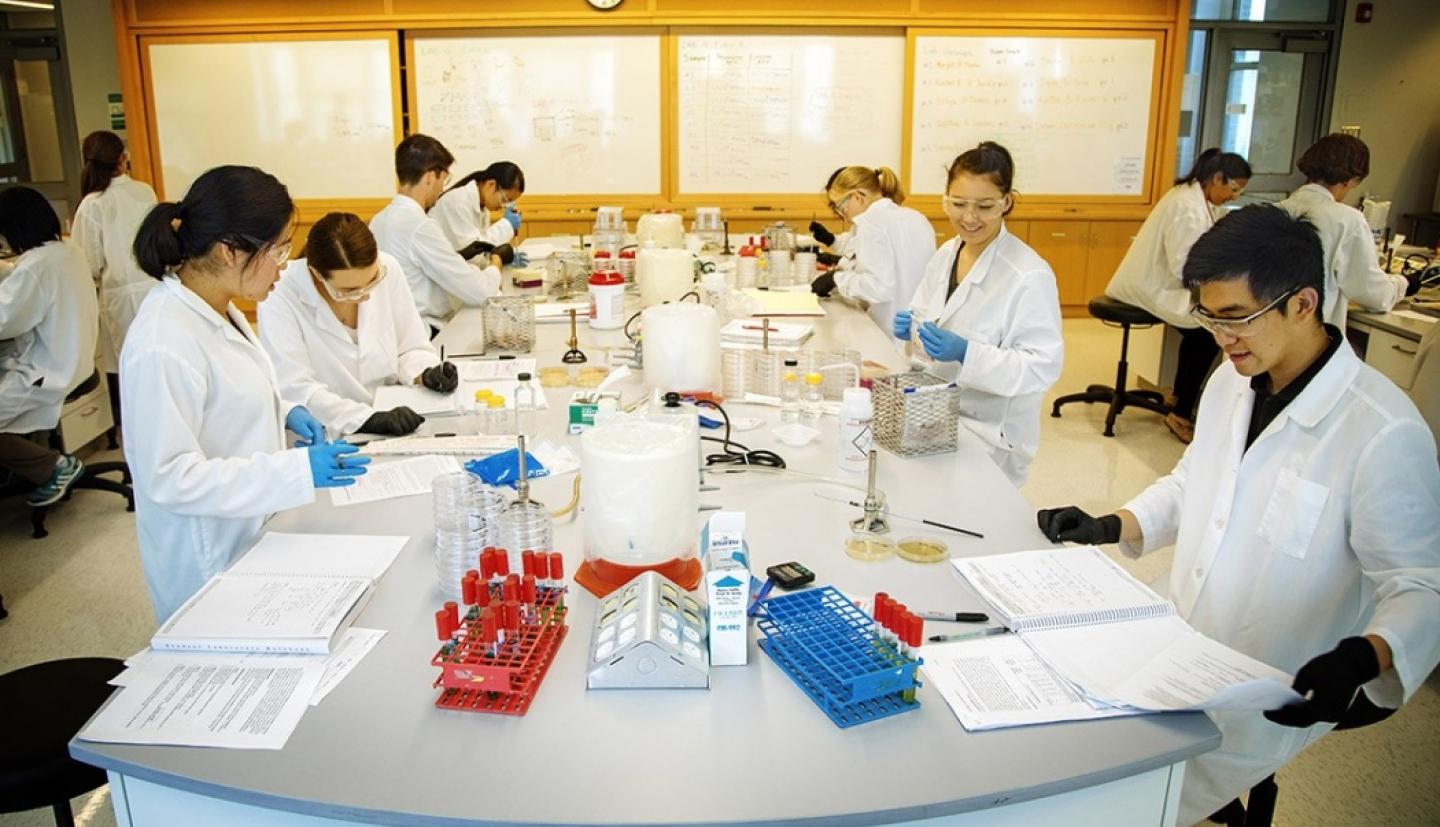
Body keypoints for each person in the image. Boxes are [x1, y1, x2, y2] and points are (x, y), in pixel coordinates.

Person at [1036, 205, 1440, 826]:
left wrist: (1365, 658)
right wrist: (1111, 524)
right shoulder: (1233, 380)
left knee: (1123, 802)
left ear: (1302, 304)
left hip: (1269, 680)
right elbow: (1194, 481)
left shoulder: (1382, 431)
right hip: (1178, 635)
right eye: (1210, 318)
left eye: (1236, 318)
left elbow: (1421, 586)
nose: (1222, 338)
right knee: (1064, 731)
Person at [124, 165, 370, 621]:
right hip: (208, 561)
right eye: (278, 250)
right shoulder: (163, 340)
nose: (284, 265)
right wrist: (295, 471)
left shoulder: (218, 308)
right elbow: (169, 478)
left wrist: (285, 411)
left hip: (254, 530)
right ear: (230, 251)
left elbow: (226, 399)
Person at [893, 143, 1063, 487]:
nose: (969, 218)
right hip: (936, 417)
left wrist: (967, 353)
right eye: (958, 204)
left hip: (990, 436)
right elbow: (925, 316)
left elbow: (1040, 368)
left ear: (1006, 202)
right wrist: (910, 333)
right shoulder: (948, 253)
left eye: (985, 206)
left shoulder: (1028, 275)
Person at [258, 212, 458, 438]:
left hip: (395, 422)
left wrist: (426, 373)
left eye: (372, 282)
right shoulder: (279, 292)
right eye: (349, 291)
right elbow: (296, 388)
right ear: (316, 273)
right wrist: (367, 419)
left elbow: (410, 347)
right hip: (326, 435)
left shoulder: (389, 267)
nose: (364, 295)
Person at [1105, 148, 1251, 443]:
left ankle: (1180, 396)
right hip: (1152, 286)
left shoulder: (1193, 197)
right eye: (1234, 188)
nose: (1234, 196)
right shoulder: (1187, 206)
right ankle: (1181, 411)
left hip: (1163, 283)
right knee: (1206, 331)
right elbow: (1183, 267)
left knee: (1202, 327)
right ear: (1217, 178)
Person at [0, 187, 98, 506]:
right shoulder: (67, 251)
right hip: (74, 362)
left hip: (46, 374)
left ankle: (53, 466)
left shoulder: (36, 266)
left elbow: (4, 319)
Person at [369, 135, 508, 332]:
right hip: (425, 332)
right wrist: (496, 264)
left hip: (396, 330)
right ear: (430, 177)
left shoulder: (378, 220)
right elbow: (480, 292)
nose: (443, 188)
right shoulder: (419, 226)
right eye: (444, 179)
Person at [1277, 133, 1415, 330]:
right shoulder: (1346, 219)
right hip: (1310, 336)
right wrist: (1403, 284)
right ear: (1352, 179)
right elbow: (1374, 294)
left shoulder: (1274, 211)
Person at [70, 130, 158, 379]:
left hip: (120, 298)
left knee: (129, 373)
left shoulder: (93, 203)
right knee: (155, 364)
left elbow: (88, 263)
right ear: (123, 158)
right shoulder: (144, 191)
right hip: (155, 289)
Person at [809, 165, 935, 334]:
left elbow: (879, 288)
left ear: (857, 197)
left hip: (888, 332)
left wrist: (837, 279)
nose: (844, 216)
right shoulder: (917, 217)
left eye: (841, 208)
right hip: (921, 332)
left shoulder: (870, 222)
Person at [429, 161, 527, 254]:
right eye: (505, 200)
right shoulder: (458, 203)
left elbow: (483, 245)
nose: (503, 206)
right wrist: (507, 225)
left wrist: (504, 257)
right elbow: (472, 250)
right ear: (491, 185)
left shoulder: (483, 207)